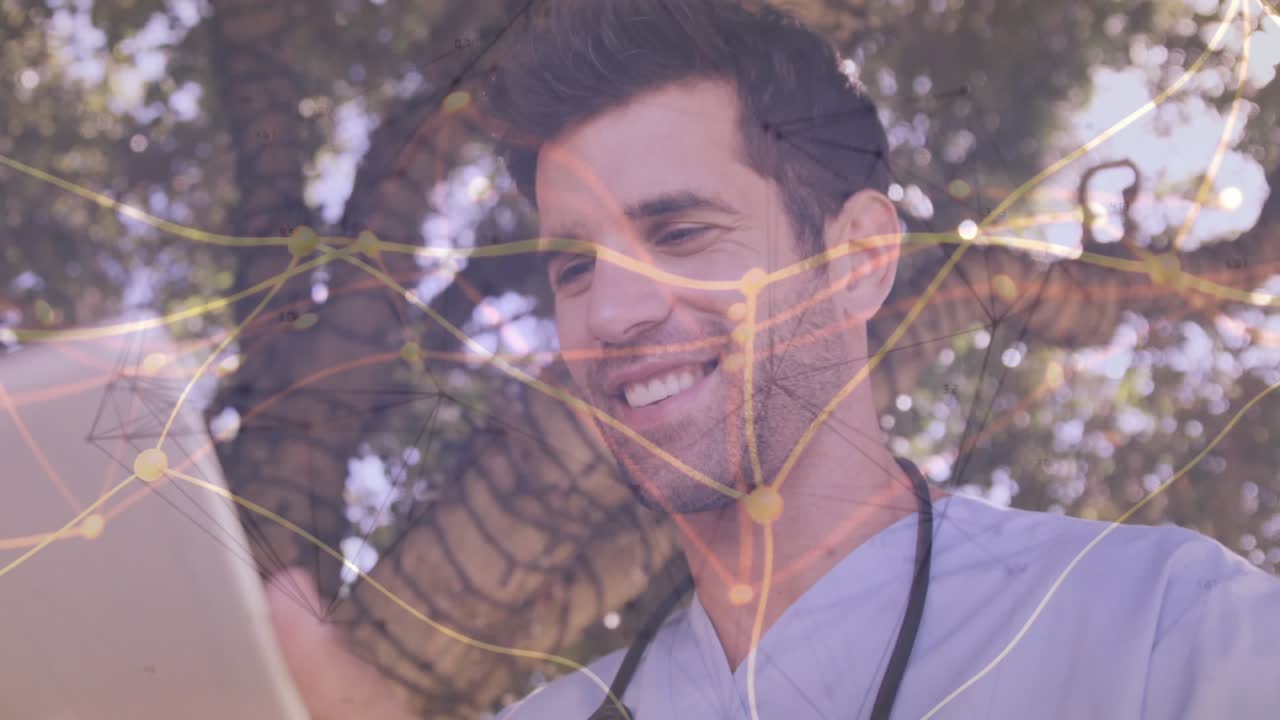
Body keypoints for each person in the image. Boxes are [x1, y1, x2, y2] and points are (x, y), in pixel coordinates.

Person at [264, 1, 1280, 718]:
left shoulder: (1161, 627)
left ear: (859, 259)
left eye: (680, 233)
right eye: (573, 267)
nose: (609, 311)